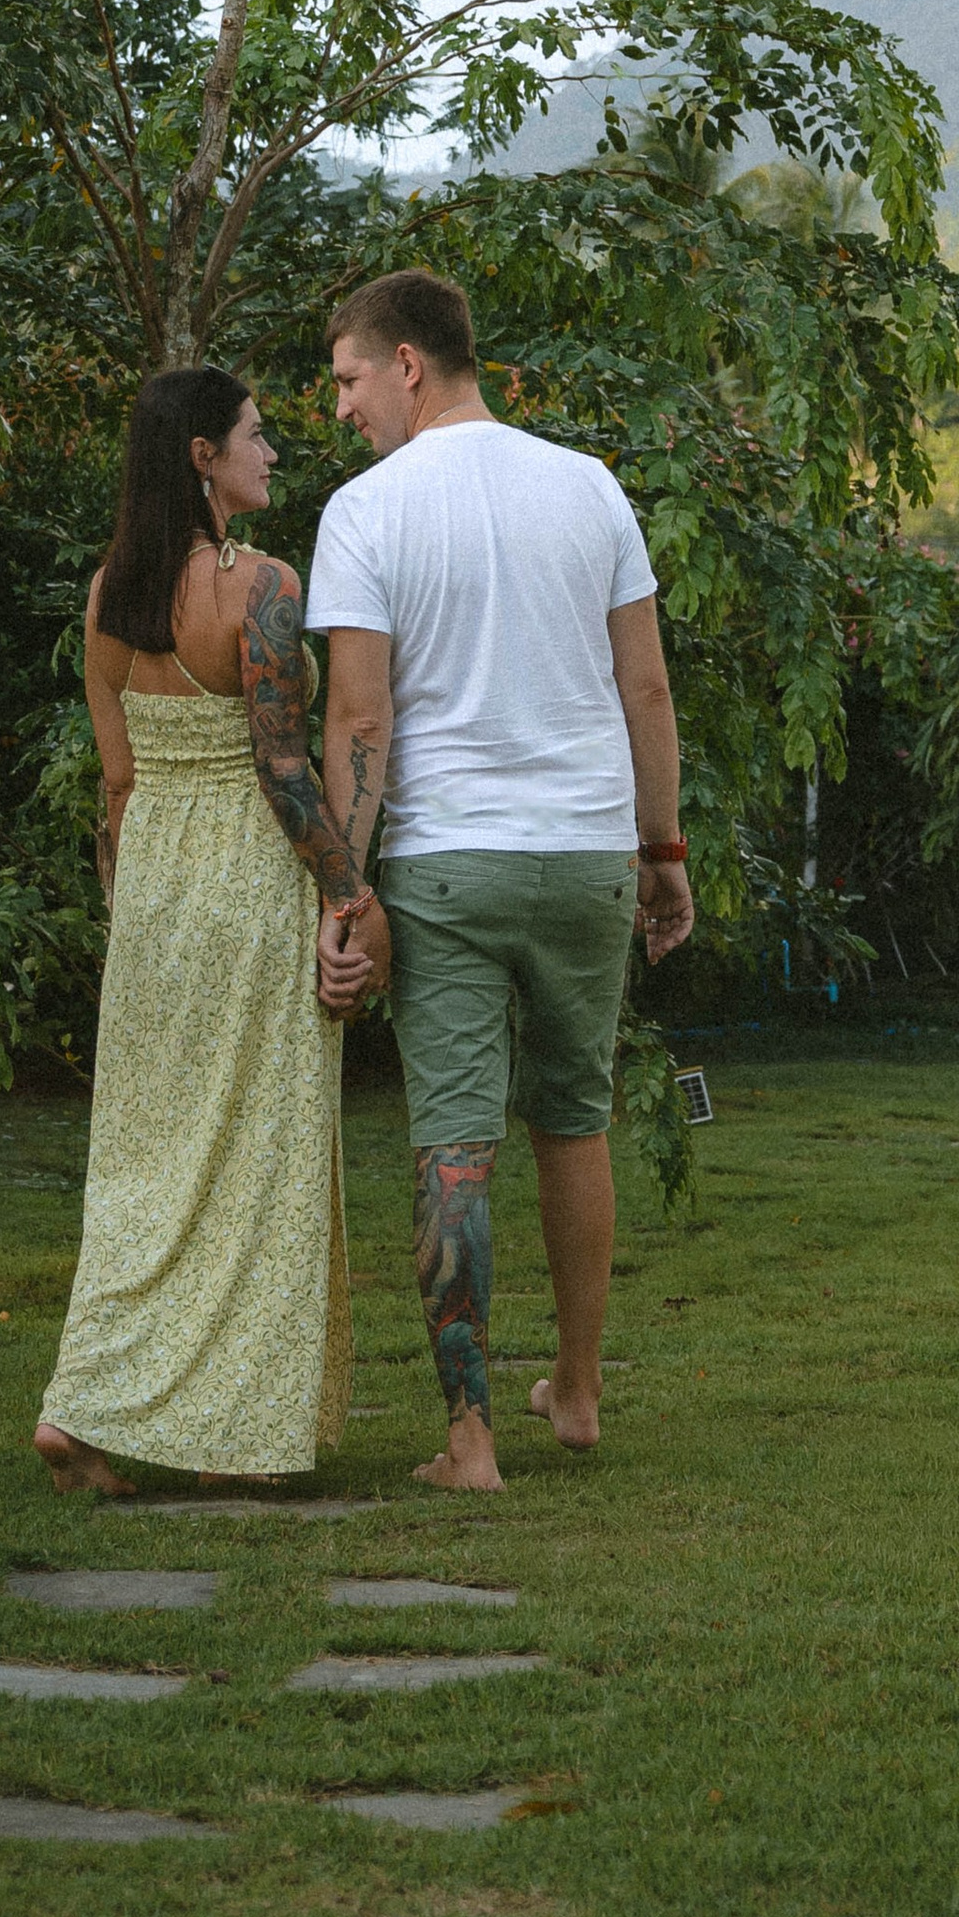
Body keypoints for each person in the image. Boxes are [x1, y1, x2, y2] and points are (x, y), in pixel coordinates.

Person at [307, 270, 692, 1492]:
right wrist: (662, 849)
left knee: (453, 1141)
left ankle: (470, 1439)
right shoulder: (589, 488)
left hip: (445, 865)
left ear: (408, 363)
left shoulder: (365, 512)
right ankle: (574, 1397)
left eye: (349, 378)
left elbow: (358, 715)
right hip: (584, 853)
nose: (341, 407)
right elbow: (645, 689)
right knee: (574, 1118)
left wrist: (343, 886)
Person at [35, 367, 377, 1495]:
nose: (271, 451)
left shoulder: (105, 597)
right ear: (200, 455)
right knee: (254, 1160)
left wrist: (130, 913)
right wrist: (345, 895)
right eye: (254, 434)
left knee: (143, 1166)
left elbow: (117, 785)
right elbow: (284, 770)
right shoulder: (263, 589)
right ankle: (228, 1434)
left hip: (154, 899)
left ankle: (83, 1402)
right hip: (245, 878)